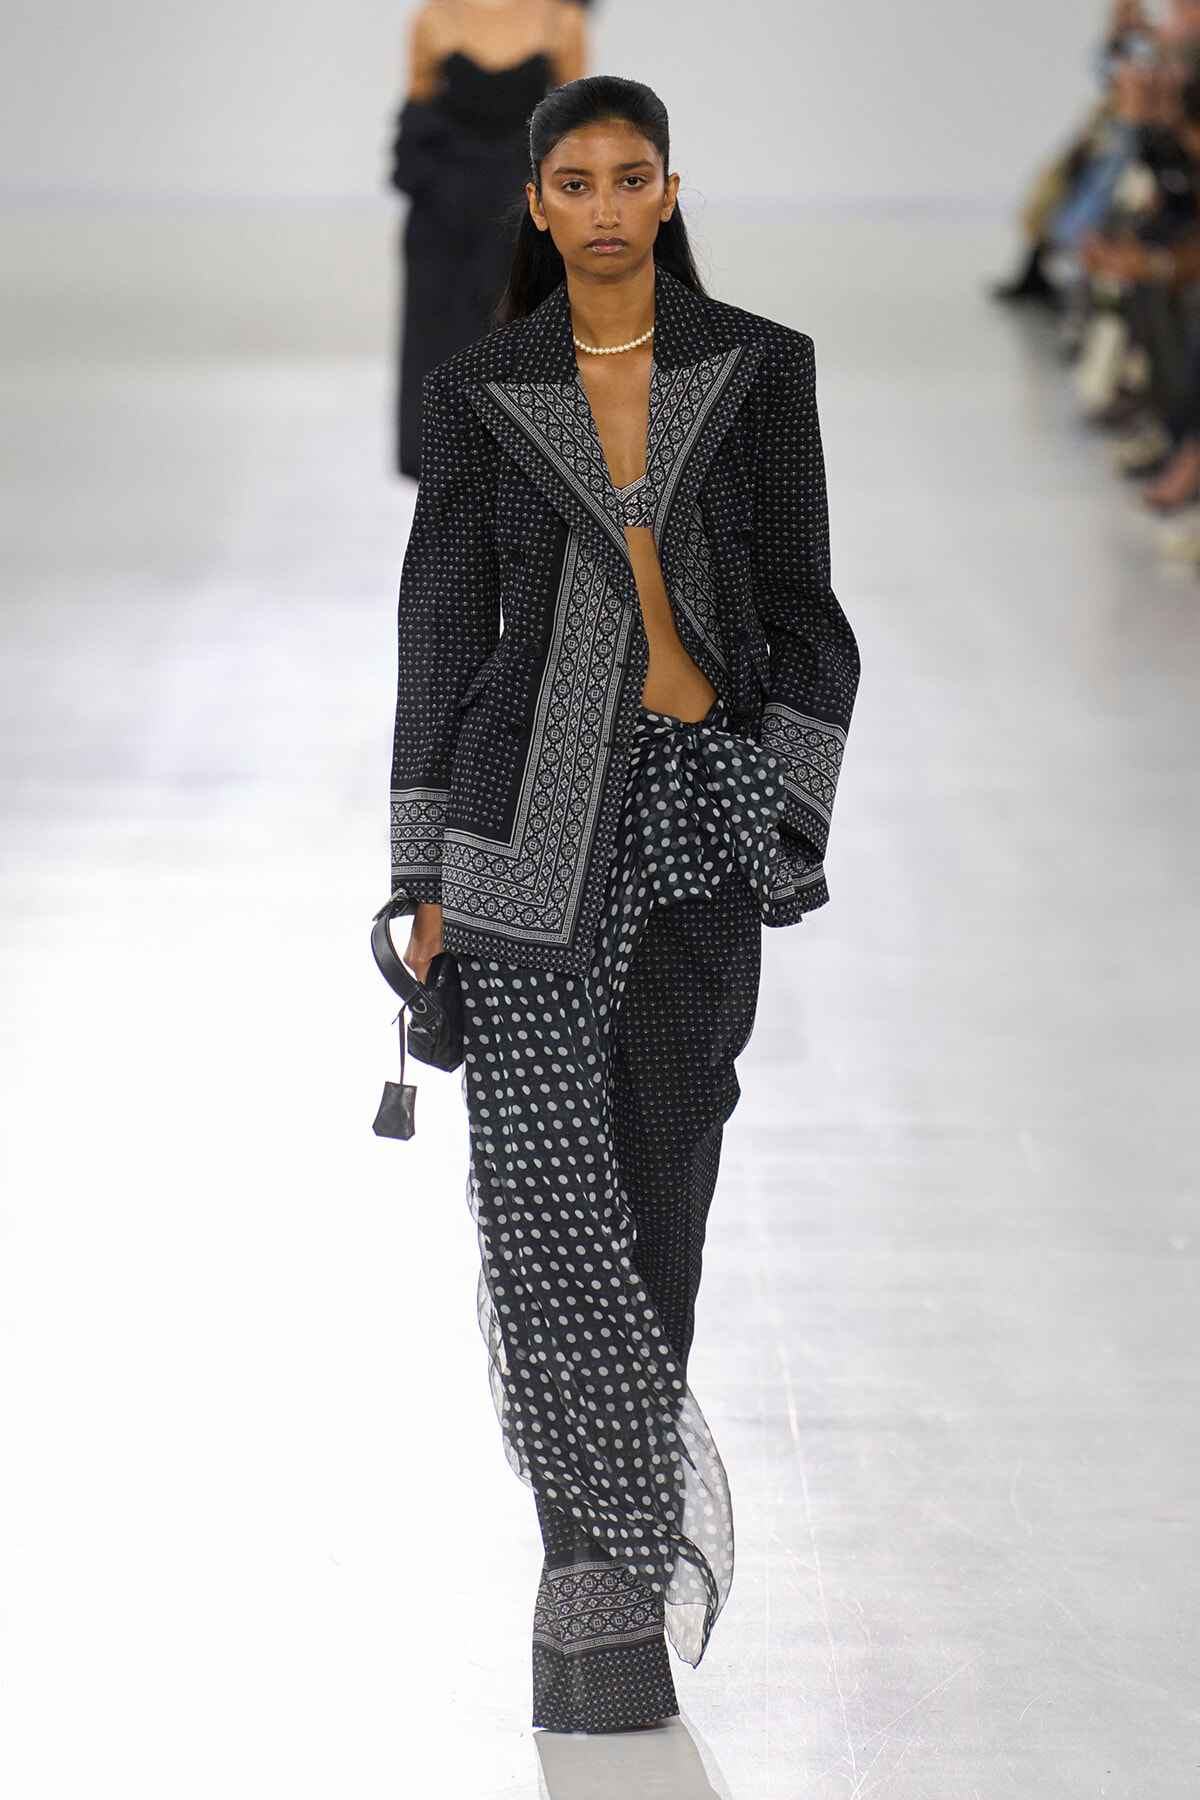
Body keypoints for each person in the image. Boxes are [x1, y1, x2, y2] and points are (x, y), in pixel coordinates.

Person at [388, 75, 858, 1734]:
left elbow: (810, 613)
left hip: (700, 830)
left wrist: (783, 810)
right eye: (571, 179)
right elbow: (444, 635)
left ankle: (613, 1573)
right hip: (521, 838)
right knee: (544, 1228)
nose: (600, 203)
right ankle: (590, 1602)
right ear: (536, 204)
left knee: (659, 1200)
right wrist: (415, 878)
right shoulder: (478, 393)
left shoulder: (760, 371)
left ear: (670, 192)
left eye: (629, 176)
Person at [390, 0, 587, 477]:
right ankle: (440, 460)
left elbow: (577, 125)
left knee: (526, 327)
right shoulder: (435, 18)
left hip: (525, 209)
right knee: (438, 335)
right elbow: (416, 109)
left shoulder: (562, 20)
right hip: (445, 211)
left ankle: (532, 459)